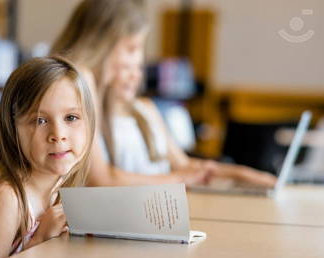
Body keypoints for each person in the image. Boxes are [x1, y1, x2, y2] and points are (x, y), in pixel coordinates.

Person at [0, 56, 95, 258]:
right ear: (13, 129)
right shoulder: (7, 198)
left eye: (71, 117)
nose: (58, 135)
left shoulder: (59, 188)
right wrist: (40, 239)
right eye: (40, 120)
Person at [51, 0, 213, 186]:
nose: (137, 60)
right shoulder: (79, 76)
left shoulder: (133, 105)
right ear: (103, 43)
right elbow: (99, 179)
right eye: (132, 48)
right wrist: (179, 179)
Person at [101, 47, 277, 187]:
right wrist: (178, 179)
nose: (135, 75)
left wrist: (242, 174)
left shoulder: (147, 108)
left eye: (138, 67)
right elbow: (105, 179)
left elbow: (183, 164)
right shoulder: (96, 117)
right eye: (126, 68)